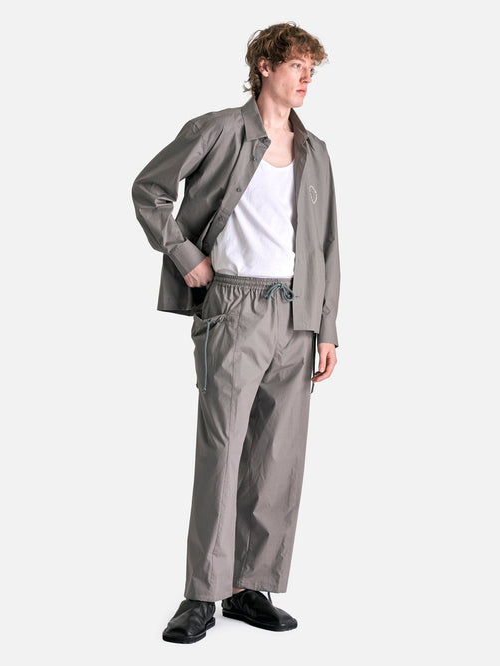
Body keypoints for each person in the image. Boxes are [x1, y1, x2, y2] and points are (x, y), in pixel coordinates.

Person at [131, 21, 341, 643]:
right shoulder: (219, 129)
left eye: (312, 69)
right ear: (265, 66)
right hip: (234, 308)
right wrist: (186, 256)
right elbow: (149, 190)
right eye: (297, 65)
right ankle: (202, 593)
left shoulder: (316, 151)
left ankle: (249, 587)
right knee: (222, 452)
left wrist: (327, 327)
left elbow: (327, 246)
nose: (306, 78)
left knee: (278, 458)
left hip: (297, 317)